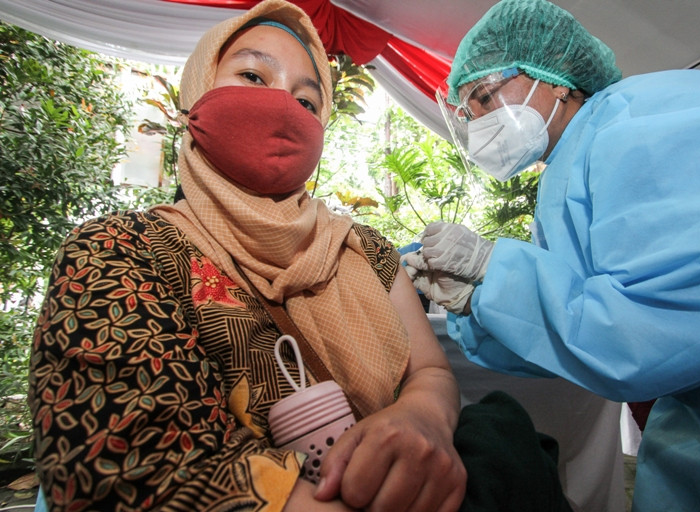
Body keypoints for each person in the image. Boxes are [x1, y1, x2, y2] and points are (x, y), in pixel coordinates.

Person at [28, 1, 467, 510]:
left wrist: (423, 416)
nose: (282, 106)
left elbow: (430, 373)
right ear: (197, 91)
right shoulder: (119, 251)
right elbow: (125, 470)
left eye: (307, 103)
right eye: (253, 75)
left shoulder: (364, 250)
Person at [403, 0, 700, 510]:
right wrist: (476, 300)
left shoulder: (638, 129)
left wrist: (490, 268)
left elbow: (642, 334)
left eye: (485, 96)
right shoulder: (576, 159)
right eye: (467, 113)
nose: (478, 122)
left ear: (556, 79)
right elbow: (571, 326)